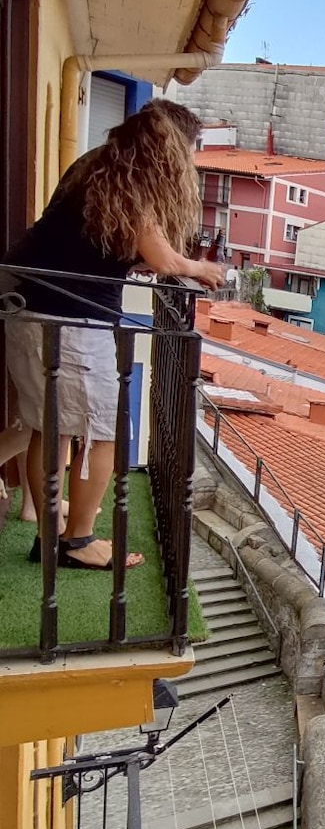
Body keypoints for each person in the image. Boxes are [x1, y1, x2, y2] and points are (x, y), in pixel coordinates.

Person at [3, 99, 224, 570]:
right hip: (72, 326)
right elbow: (165, 259)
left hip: (30, 311)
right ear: (170, 149)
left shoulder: (95, 169)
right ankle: (78, 543)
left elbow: (96, 244)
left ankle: (51, 538)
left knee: (52, 427)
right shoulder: (134, 188)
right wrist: (201, 268)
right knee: (104, 434)